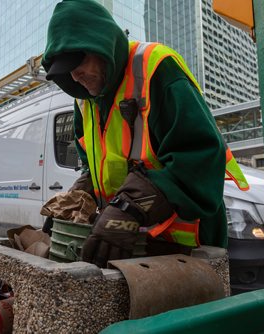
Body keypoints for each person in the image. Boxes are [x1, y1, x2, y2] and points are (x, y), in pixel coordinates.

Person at [42, 0, 247, 268]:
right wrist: (78, 198)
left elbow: (201, 156)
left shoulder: (157, 68)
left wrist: (130, 207)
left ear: (103, 45)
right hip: (132, 246)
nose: (74, 75)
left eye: (77, 61)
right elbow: (95, 169)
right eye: (65, 69)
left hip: (185, 246)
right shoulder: (85, 101)